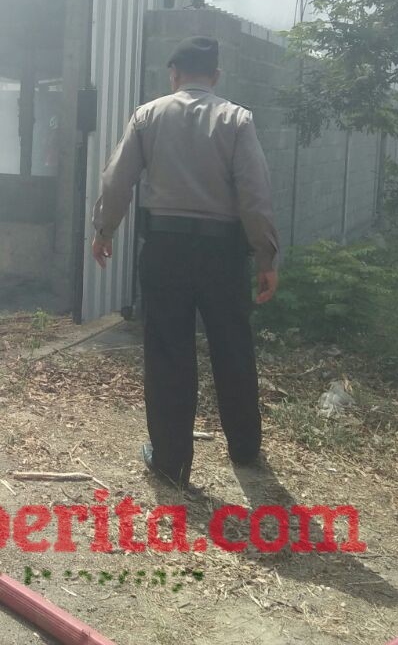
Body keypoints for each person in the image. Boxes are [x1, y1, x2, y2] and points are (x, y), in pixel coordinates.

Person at [89, 36, 279, 489]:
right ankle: (245, 448)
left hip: (165, 250)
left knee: (168, 351)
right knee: (232, 345)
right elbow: (255, 195)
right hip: (223, 254)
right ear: (216, 76)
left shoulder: (148, 116)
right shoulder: (237, 119)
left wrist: (104, 230)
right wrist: (266, 256)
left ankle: (171, 463)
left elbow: (117, 180)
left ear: (173, 75)